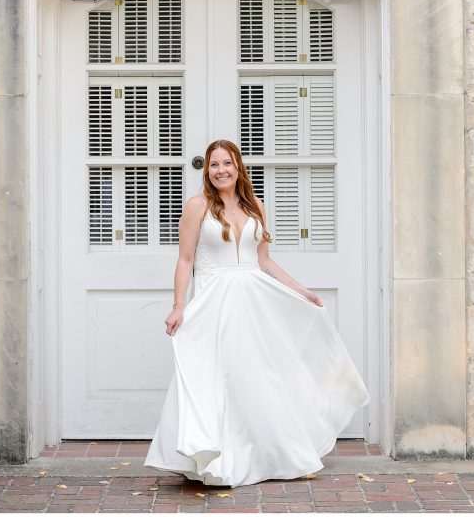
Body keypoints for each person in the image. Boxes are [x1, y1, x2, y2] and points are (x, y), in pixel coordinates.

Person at [144, 139, 369, 487]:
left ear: (238, 168)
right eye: (214, 164)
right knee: (215, 378)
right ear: (207, 170)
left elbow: (264, 262)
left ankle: (271, 455)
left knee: (258, 375)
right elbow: (185, 260)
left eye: (227, 164)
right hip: (214, 304)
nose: (221, 170)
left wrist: (302, 290)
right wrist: (178, 305)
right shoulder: (197, 206)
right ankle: (213, 460)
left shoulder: (256, 207)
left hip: (253, 303)